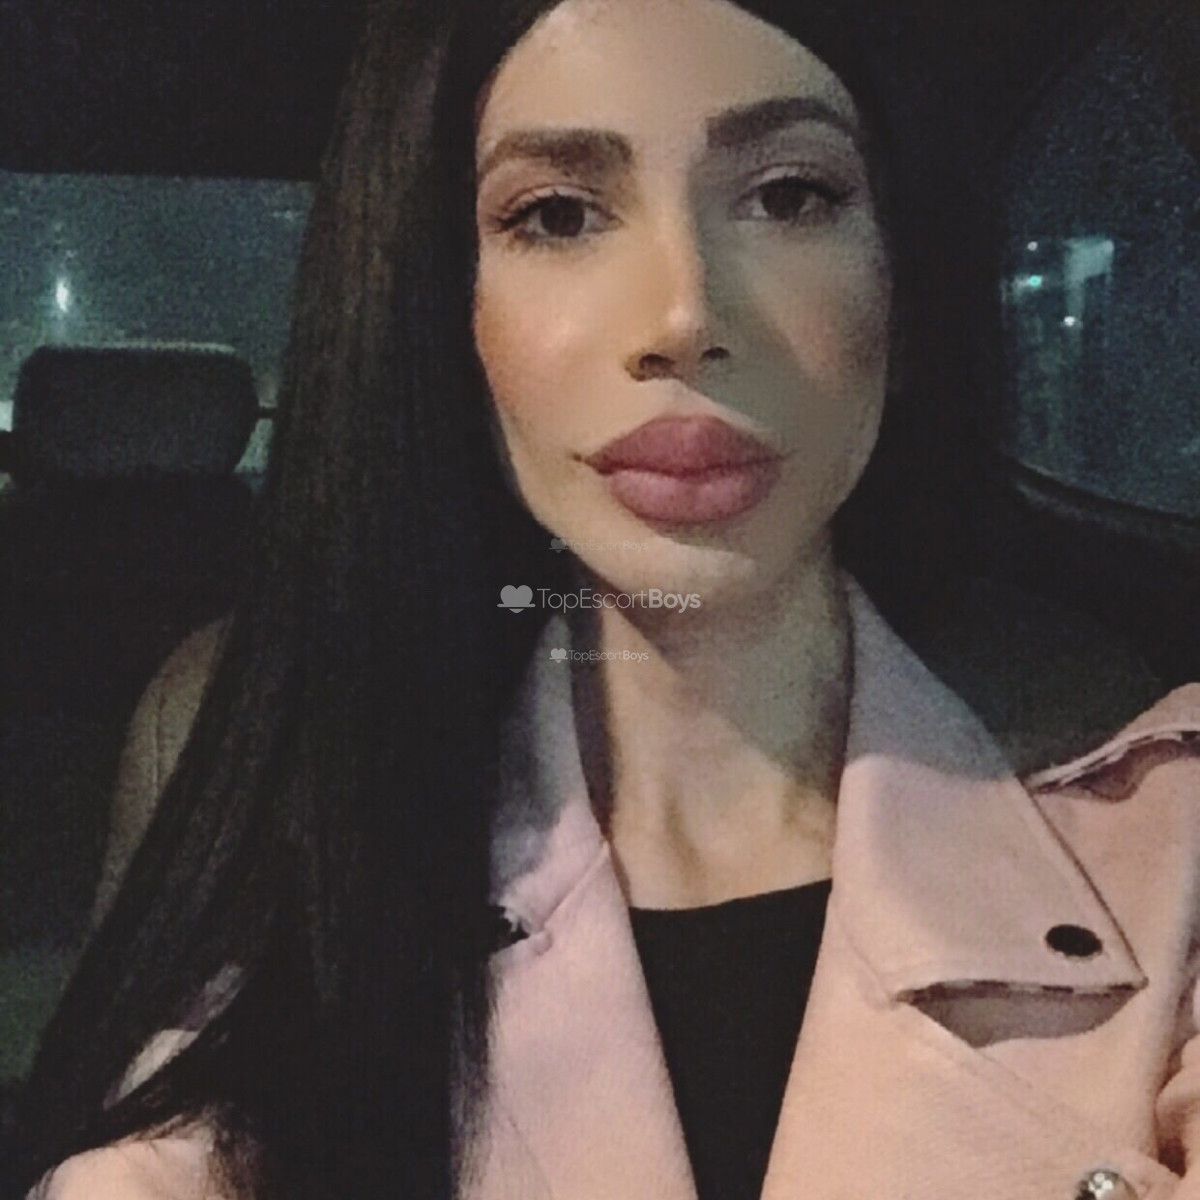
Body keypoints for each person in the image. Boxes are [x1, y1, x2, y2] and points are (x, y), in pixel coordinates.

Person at [9, 0, 1200, 1197]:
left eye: (789, 196)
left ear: (905, 272)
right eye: (558, 215)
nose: (685, 316)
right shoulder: (304, 853)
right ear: (447, 309)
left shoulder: (1169, 844)